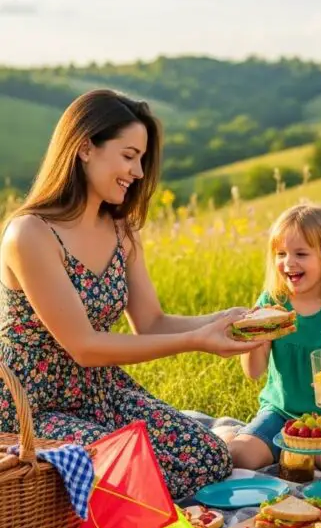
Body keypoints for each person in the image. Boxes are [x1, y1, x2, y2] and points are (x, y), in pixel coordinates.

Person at [0, 89, 263, 502]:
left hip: (100, 391)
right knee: (129, 470)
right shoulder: (30, 233)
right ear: (85, 147)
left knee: (209, 457)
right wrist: (197, 341)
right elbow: (85, 346)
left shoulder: (122, 231)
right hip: (34, 405)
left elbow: (152, 322)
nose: (138, 172)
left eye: (141, 159)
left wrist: (224, 320)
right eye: (128, 155)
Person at [219, 203, 321, 472]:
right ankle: (249, 440)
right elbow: (254, 372)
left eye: (301, 253)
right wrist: (255, 337)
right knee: (240, 456)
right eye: (280, 254)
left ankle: (307, 452)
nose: (288, 262)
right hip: (281, 413)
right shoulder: (272, 304)